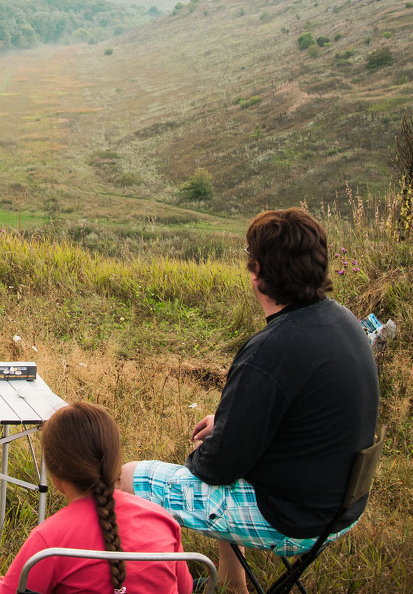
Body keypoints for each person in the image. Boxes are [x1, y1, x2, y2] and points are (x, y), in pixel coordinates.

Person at [121, 208, 379, 592]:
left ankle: (154, 585)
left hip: (295, 519)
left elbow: (219, 468)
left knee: (126, 477)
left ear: (258, 274)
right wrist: (229, 426)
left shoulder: (268, 352)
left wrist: (215, 443)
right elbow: (301, 418)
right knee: (225, 454)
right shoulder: (343, 321)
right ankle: (231, 582)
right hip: (343, 504)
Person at [0, 402, 192, 594]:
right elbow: (185, 588)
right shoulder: (162, 520)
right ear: (115, 460)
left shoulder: (48, 540)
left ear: (53, 470)